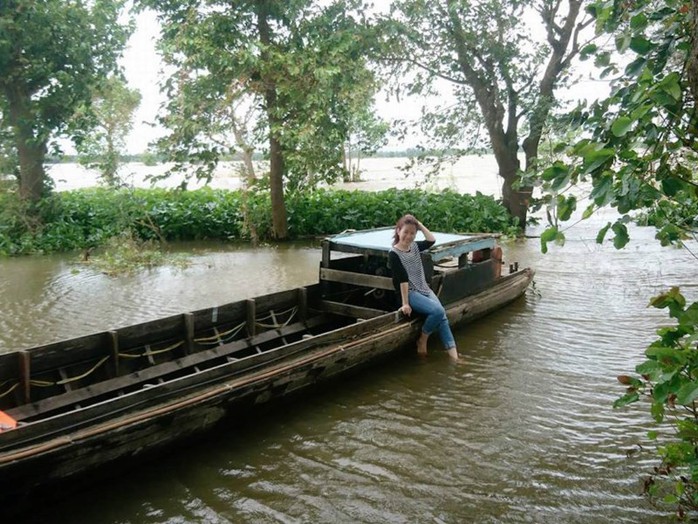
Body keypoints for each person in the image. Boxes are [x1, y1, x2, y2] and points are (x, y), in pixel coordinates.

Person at [388, 214, 460, 360]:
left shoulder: (414, 246)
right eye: (405, 232)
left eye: (412, 233)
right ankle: (423, 339)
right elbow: (402, 280)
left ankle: (454, 356)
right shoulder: (394, 254)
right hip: (410, 292)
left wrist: (418, 224)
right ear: (398, 231)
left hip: (424, 289)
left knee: (442, 317)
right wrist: (405, 303)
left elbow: (431, 240)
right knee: (438, 311)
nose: (408, 236)